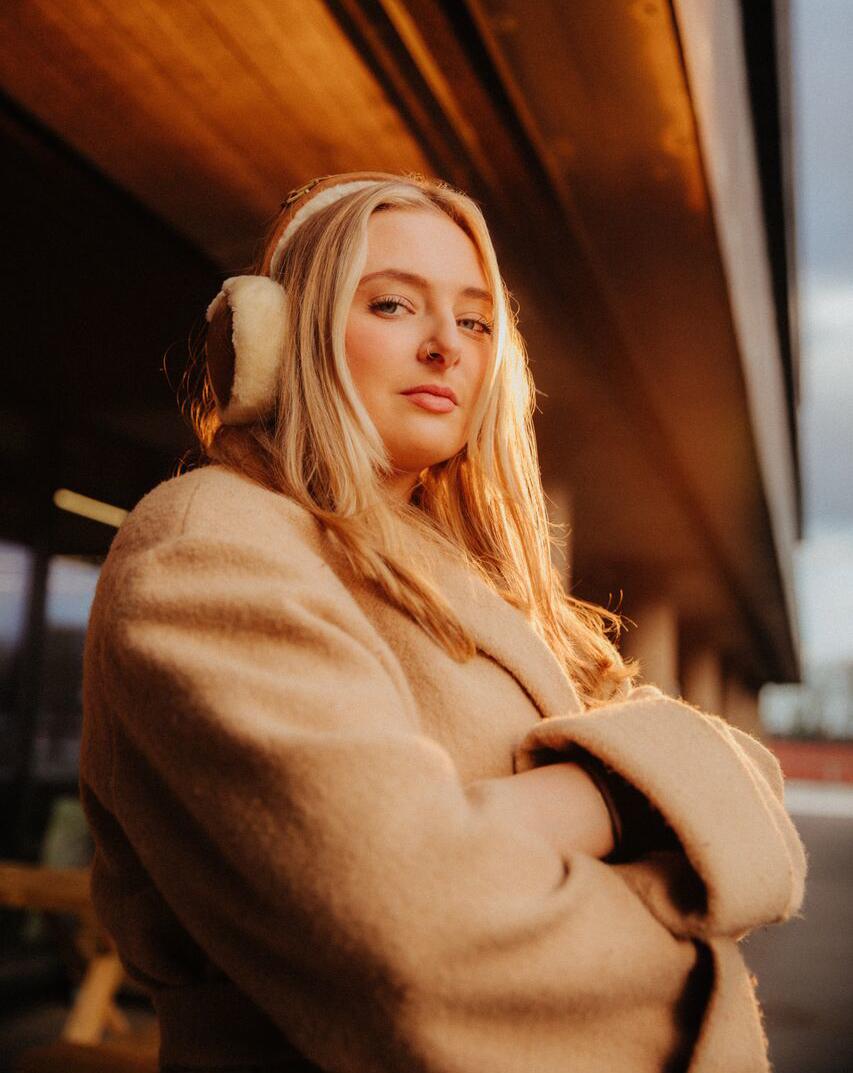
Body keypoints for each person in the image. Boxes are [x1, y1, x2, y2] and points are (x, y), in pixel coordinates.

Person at [80, 171, 806, 1073]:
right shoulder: (207, 539)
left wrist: (489, 826)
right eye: (392, 304)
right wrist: (629, 798)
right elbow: (394, 913)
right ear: (278, 329)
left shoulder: (470, 574)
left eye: (474, 320)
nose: (444, 348)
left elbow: (753, 788)